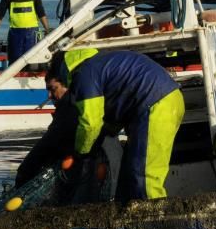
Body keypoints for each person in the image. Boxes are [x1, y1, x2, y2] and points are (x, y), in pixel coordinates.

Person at [45, 48, 185, 202]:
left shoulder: (84, 75)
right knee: (129, 177)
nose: (51, 96)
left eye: (53, 89)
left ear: (63, 76)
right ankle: (128, 220)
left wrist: (81, 153)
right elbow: (113, 112)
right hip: (165, 101)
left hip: (156, 105)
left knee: (144, 178)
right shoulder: (97, 64)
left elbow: (90, 124)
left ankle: (154, 223)